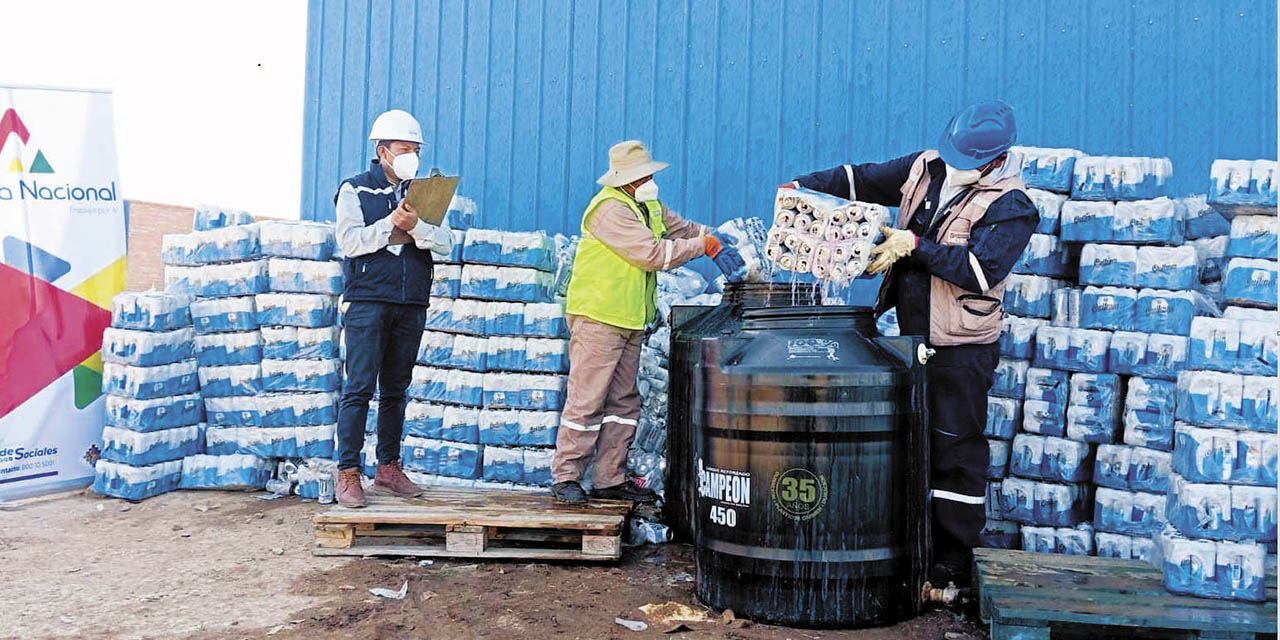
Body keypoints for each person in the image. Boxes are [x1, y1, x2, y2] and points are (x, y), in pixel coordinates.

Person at [785, 100, 1038, 586]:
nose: (955, 165)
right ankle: (915, 546)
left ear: (993, 159)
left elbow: (980, 272)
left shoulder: (1011, 205)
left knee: (955, 448)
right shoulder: (928, 166)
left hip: (961, 345)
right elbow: (862, 179)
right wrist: (805, 186)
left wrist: (914, 246)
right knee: (915, 442)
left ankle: (954, 561)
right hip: (912, 336)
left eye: (966, 160)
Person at [551, 140, 746, 504]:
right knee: (587, 400)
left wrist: (719, 236)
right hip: (599, 317)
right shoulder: (609, 210)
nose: (651, 178)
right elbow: (651, 254)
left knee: (624, 402)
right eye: (645, 174)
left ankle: (609, 478)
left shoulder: (648, 205)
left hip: (630, 317)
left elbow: (682, 229)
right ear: (626, 178)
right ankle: (567, 476)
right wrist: (705, 246)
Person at [333, 109, 455, 508]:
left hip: (411, 301)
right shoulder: (356, 189)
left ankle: (388, 467)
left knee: (396, 390)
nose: (412, 157)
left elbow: (445, 243)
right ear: (383, 151)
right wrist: (391, 223)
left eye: (416, 150)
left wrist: (416, 225)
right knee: (359, 388)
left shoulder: (426, 193)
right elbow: (350, 242)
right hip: (368, 301)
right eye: (405, 149)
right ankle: (348, 472)